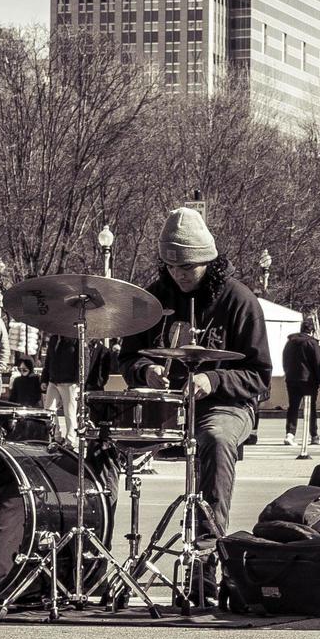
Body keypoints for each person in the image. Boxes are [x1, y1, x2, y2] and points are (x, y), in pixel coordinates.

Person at [108, 207, 271, 542]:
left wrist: (214, 380)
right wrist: (145, 371)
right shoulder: (151, 298)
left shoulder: (239, 300)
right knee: (99, 443)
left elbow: (259, 376)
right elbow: (127, 359)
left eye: (187, 266)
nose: (178, 274)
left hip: (225, 405)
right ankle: (92, 551)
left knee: (216, 437)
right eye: (170, 266)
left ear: (208, 260)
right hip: (162, 406)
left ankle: (206, 550)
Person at [41, 335, 101, 436]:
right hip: (54, 379)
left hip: (70, 382)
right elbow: (48, 360)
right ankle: (55, 436)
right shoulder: (54, 338)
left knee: (69, 413)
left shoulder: (77, 339)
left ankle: (70, 440)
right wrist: (44, 379)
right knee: (49, 410)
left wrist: (81, 382)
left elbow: (84, 361)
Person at [281, 317, 320, 445]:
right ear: (312, 330)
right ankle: (314, 435)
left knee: (293, 407)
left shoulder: (290, 342)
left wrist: (288, 373)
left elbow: (285, 359)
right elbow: (318, 363)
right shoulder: (312, 343)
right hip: (308, 380)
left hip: (292, 379)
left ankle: (290, 434)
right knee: (311, 408)